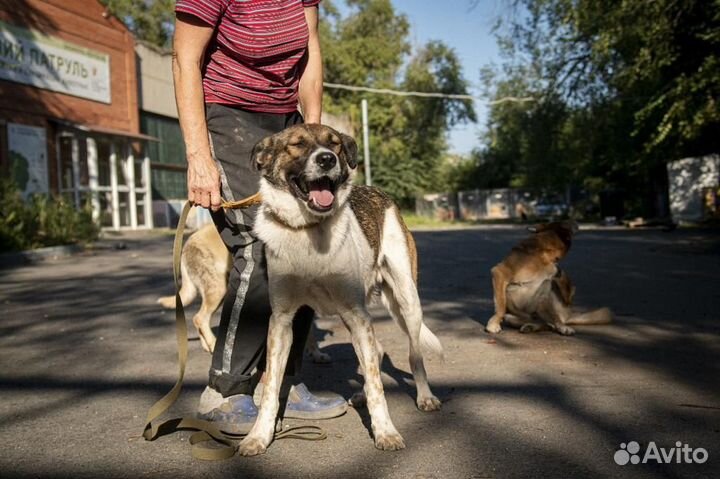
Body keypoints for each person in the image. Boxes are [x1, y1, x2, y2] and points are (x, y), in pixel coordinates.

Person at [173, 0, 347, 433]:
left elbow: (310, 51)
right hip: (225, 115)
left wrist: (313, 134)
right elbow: (184, 60)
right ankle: (225, 391)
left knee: (308, 244)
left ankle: (280, 382)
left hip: (286, 121)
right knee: (259, 250)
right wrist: (199, 157)